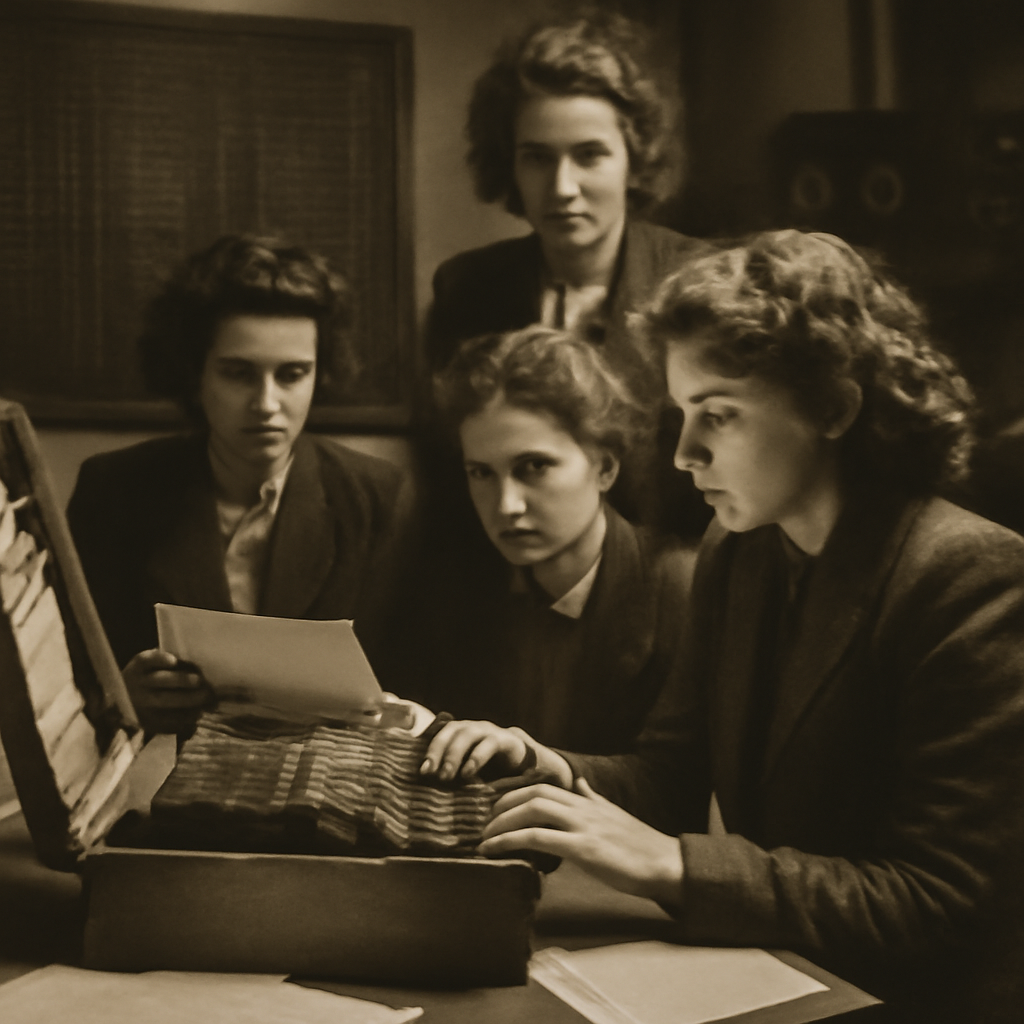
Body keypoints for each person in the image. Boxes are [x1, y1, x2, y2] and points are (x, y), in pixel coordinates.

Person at [419, 231, 1024, 1021]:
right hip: (788, 982)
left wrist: (675, 866)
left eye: (719, 415)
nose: (684, 453)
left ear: (834, 407)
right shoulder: (739, 552)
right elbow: (671, 773)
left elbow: (939, 904)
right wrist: (544, 765)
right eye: (681, 414)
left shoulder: (970, 575)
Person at [67, 235, 414, 736]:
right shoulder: (114, 491)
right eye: (238, 374)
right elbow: (68, 680)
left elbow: (409, 681)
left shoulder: (378, 497)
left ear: (320, 373)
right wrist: (120, 698)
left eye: (292, 374)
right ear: (195, 374)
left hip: (326, 768)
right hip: (165, 762)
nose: (266, 404)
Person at [424, 9, 710, 537]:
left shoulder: (697, 283)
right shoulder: (467, 290)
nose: (561, 187)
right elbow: (447, 482)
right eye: (538, 158)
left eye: (589, 156)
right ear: (509, 164)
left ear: (635, 159)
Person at [395, 326, 692, 754]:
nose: (507, 505)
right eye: (482, 473)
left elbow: (679, 776)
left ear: (605, 468)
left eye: (534, 467)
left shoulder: (679, 589)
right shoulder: (458, 589)